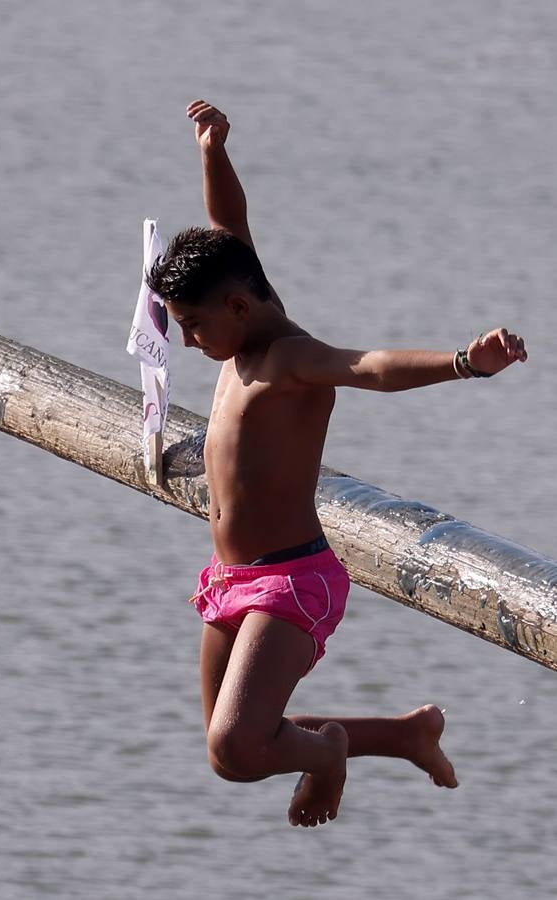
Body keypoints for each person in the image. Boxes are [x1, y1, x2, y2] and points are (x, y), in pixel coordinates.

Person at [145, 99, 528, 828]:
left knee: (239, 740)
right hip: (232, 575)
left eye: (192, 325)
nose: (189, 343)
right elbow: (230, 227)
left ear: (235, 306)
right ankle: (406, 735)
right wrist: (211, 150)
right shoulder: (242, 319)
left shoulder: (290, 358)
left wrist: (463, 363)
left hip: (293, 579)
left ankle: (329, 755)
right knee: (228, 752)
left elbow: (372, 366)